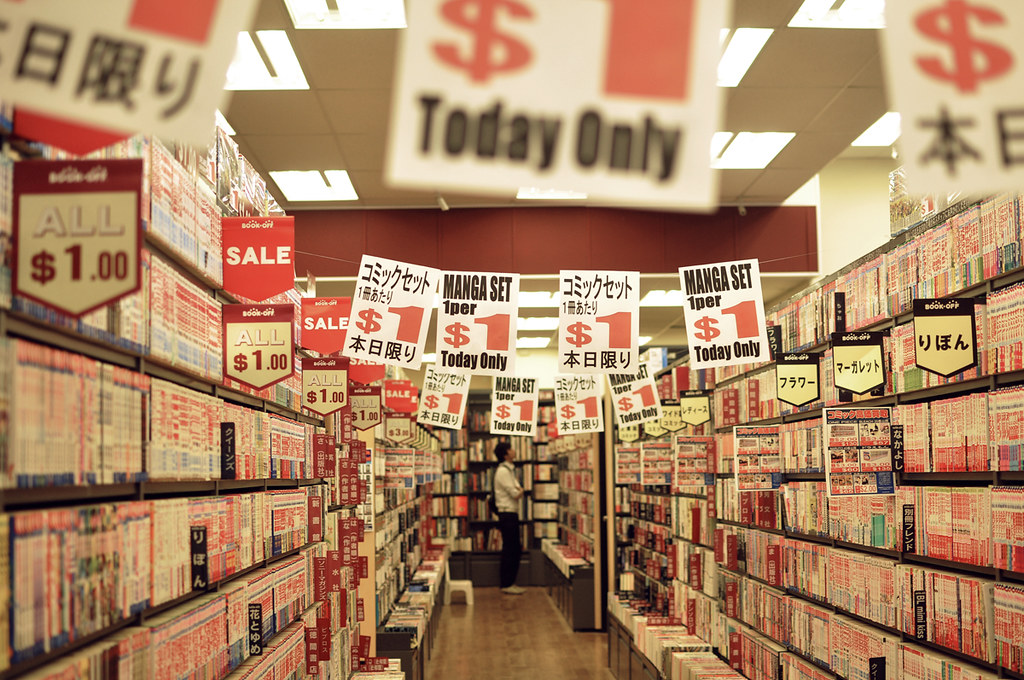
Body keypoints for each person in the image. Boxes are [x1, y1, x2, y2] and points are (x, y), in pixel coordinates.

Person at [493, 441, 524, 595]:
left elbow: (517, 490)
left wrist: (519, 491)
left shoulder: (508, 470)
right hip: (507, 513)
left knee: (514, 548)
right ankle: (506, 583)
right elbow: (516, 493)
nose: (514, 450)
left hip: (511, 513)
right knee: (511, 549)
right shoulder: (503, 471)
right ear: (506, 454)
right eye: (510, 449)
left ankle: (510, 582)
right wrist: (520, 491)